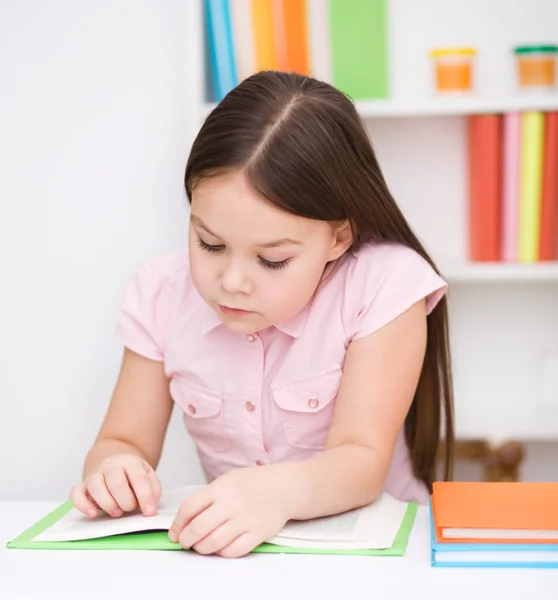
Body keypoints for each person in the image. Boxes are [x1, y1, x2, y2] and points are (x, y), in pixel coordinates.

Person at [70, 71, 454, 558]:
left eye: (271, 259)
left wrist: (274, 492)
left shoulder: (384, 283)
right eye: (210, 243)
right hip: (245, 562)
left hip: (384, 558)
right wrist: (114, 469)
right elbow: (121, 439)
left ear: (338, 237)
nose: (231, 281)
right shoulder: (162, 293)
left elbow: (361, 459)